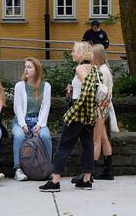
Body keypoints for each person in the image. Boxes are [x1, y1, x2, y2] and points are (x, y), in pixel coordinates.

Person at [39, 43, 103, 192]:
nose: (72, 53)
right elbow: (92, 87)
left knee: (64, 146)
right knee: (87, 145)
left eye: (74, 51)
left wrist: (74, 108)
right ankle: (86, 180)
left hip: (79, 111)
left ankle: (55, 182)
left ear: (81, 52)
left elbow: (88, 86)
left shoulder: (80, 68)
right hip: (89, 113)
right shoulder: (95, 68)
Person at [12, 57, 53, 181]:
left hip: (38, 121)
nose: (26, 69)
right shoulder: (19, 86)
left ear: (37, 70)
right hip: (21, 121)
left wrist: (40, 125)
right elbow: (17, 108)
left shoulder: (46, 86)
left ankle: (48, 168)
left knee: (45, 136)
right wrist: (23, 124)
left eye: (29, 67)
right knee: (19, 136)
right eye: (25, 67)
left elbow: (46, 107)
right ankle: (18, 169)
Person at [91, 44, 118, 181]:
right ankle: (108, 170)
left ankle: (90, 172)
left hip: (100, 108)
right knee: (104, 139)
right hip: (106, 108)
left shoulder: (101, 71)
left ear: (97, 56)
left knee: (97, 140)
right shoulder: (105, 69)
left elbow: (99, 91)